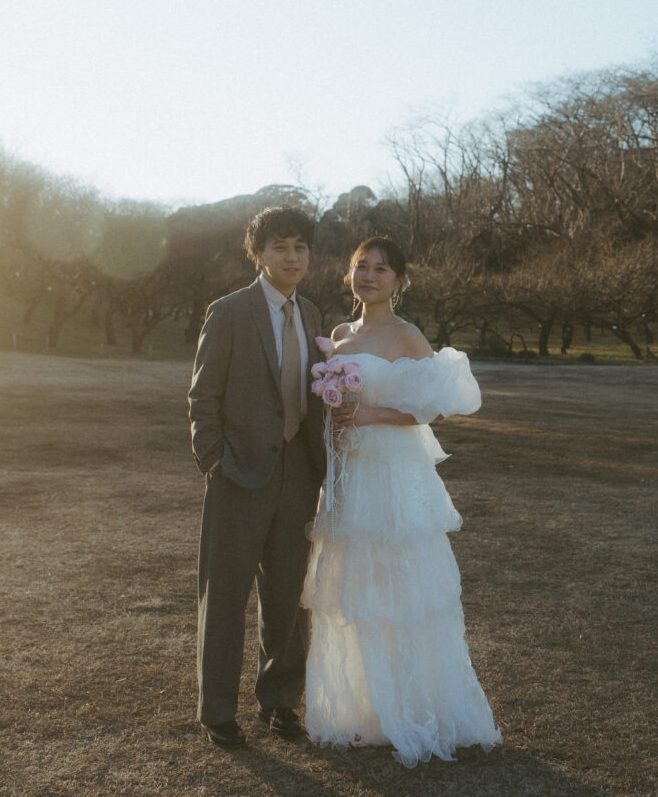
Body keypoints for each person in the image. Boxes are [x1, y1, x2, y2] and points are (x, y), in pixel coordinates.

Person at [301, 236, 502, 768]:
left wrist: (369, 416)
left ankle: (413, 706)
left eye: (382, 270)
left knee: (400, 587)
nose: (369, 276)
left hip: (392, 472)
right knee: (357, 586)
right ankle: (365, 709)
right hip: (348, 474)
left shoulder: (408, 335)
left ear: (400, 281)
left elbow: (429, 407)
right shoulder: (339, 336)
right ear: (350, 275)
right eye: (361, 267)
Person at [189, 206, 325, 748]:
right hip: (237, 473)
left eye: (300, 248)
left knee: (291, 594)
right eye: (280, 247)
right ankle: (218, 711)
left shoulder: (314, 315)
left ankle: (279, 701)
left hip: (299, 473)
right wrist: (214, 460)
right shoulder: (228, 312)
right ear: (258, 254)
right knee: (224, 595)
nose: (291, 257)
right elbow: (203, 396)